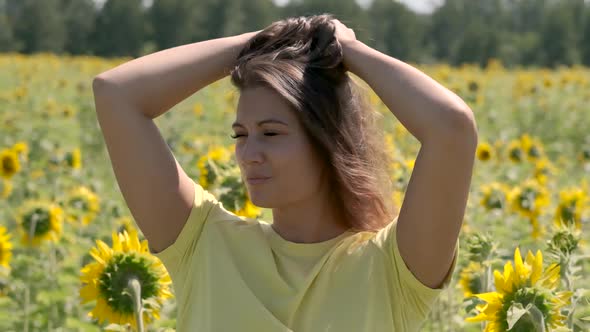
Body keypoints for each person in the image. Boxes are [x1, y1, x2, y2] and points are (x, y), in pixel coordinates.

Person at [92, 13, 478, 332]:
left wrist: (351, 51)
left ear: (328, 139)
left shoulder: (392, 270)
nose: (248, 154)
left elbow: (452, 127)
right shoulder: (204, 245)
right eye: (241, 135)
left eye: (271, 133)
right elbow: (115, 93)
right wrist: (262, 42)